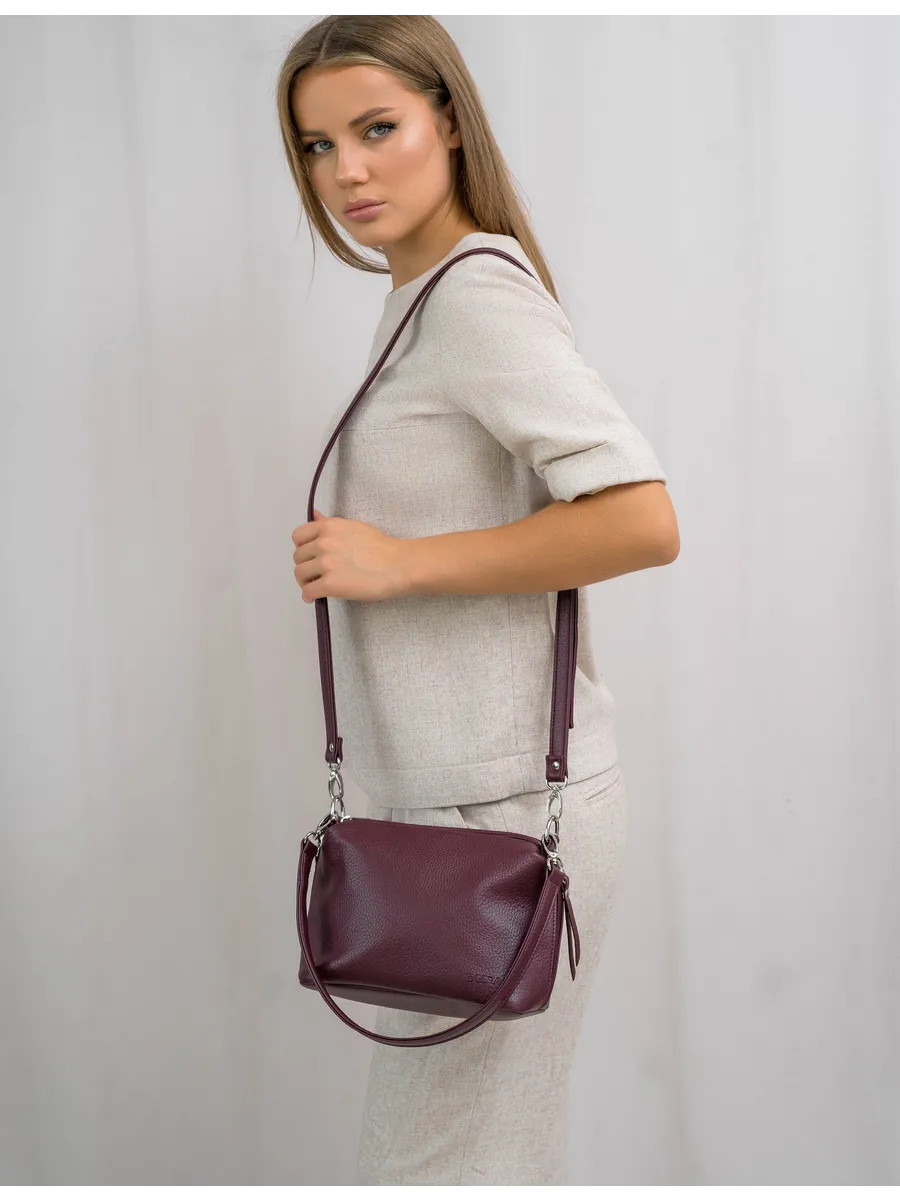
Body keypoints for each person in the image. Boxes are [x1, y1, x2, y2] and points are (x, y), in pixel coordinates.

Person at [278, 13, 680, 1190]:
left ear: (449, 122)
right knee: (487, 1162)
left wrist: (398, 563)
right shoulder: (419, 303)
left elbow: (641, 518)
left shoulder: (474, 299)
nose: (346, 171)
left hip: (508, 819)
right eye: (317, 146)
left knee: (431, 1170)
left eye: (377, 129)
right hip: (458, 811)